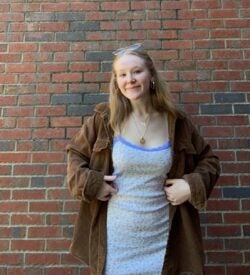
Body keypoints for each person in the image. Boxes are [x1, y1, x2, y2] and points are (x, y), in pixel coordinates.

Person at [66, 43, 220, 275]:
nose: (130, 79)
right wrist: (93, 184)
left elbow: (210, 161)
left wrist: (190, 185)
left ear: (151, 76)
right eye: (123, 74)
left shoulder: (176, 122)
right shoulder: (104, 121)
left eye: (137, 71)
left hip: (164, 241)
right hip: (115, 241)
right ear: (116, 82)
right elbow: (75, 155)